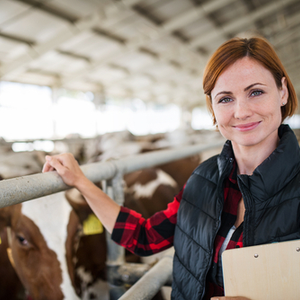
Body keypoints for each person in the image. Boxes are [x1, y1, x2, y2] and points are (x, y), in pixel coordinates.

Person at [42, 36, 299, 300]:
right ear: (212, 106)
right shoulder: (203, 179)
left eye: (256, 92)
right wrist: (82, 182)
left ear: (282, 91)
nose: (241, 111)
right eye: (225, 99)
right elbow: (144, 237)